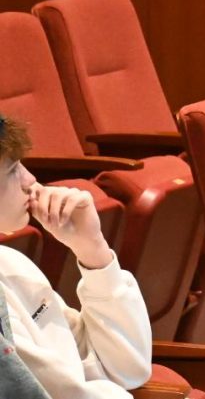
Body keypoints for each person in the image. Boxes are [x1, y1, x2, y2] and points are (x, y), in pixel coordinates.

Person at [0, 114, 153, 398]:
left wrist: (93, 250)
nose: (30, 180)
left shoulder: (12, 264)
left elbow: (125, 368)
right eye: (12, 170)